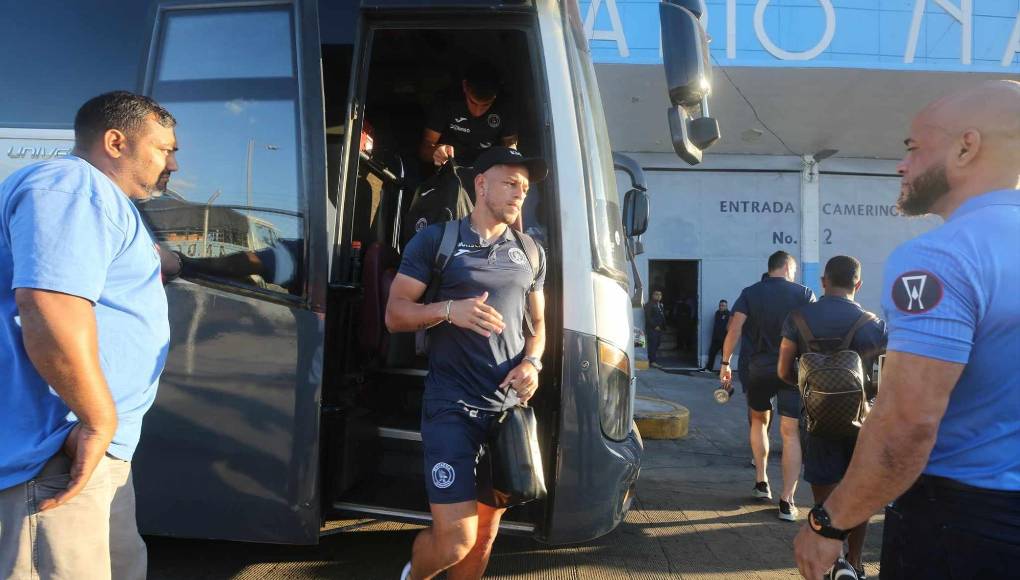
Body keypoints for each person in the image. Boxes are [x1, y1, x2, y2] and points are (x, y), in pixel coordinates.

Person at [795, 81, 1020, 579]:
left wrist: (829, 525)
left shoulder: (940, 258)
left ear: (967, 147)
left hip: (963, 526)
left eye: (914, 149)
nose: (902, 165)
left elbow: (907, 423)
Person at [0, 91, 177, 579]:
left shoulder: (97, 199)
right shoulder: (72, 188)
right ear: (116, 141)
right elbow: (49, 305)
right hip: (61, 447)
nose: (173, 164)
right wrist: (98, 420)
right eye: (165, 149)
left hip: (88, 444)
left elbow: (140, 264)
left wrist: (174, 261)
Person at [386, 146, 548, 580]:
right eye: (510, 183)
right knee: (455, 541)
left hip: (505, 413)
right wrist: (448, 310)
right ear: (481, 184)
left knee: (482, 543)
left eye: (525, 187)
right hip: (451, 409)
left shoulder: (531, 251)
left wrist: (533, 362)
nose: (519, 193)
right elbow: (395, 313)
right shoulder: (437, 240)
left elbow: (539, 324)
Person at [778, 256, 886, 579]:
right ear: (859, 284)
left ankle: (833, 559)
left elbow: (783, 371)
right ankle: (854, 561)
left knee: (824, 492)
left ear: (823, 282)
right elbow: (883, 380)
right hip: (860, 422)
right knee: (860, 490)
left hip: (816, 420)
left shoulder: (798, 317)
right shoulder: (871, 323)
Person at [719, 251, 815, 521]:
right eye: (793, 269)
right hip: (792, 369)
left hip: (757, 367)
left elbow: (734, 329)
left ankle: (761, 481)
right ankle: (787, 501)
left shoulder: (750, 292)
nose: (794, 274)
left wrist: (725, 363)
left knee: (759, 421)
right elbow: (813, 332)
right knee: (790, 431)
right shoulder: (804, 294)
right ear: (786, 267)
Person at [419, 60, 519, 167]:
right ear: (464, 86)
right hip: (451, 168)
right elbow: (424, 150)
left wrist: (512, 163)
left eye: (486, 105)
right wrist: (435, 151)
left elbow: (510, 147)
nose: (477, 112)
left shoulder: (505, 106)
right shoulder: (446, 101)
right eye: (473, 102)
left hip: (489, 170)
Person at [703, 299, 730, 372]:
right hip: (716, 338)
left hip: (724, 339)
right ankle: (709, 368)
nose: (721, 307)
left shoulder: (728, 314)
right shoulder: (717, 313)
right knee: (711, 352)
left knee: (724, 356)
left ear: (726, 306)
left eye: (723, 306)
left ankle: (724, 371)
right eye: (720, 305)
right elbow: (716, 326)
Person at [644, 290, 667, 369]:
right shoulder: (649, 305)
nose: (658, 296)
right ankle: (652, 361)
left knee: (657, 344)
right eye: (656, 294)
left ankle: (653, 359)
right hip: (652, 329)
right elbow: (648, 317)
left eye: (660, 295)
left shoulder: (660, 305)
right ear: (652, 295)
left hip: (659, 329)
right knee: (652, 345)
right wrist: (654, 326)